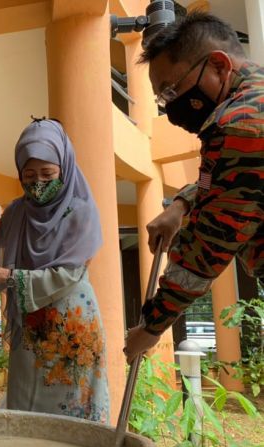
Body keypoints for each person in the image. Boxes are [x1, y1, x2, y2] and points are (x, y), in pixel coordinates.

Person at [124, 12, 263, 363]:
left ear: (218, 66)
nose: (171, 108)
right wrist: (180, 206)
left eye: (172, 89)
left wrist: (151, 327)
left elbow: (207, 250)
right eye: (162, 99)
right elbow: (224, 180)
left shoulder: (239, 125)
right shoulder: (252, 102)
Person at [0, 118, 109, 422]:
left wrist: (5, 276)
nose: (38, 182)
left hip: (70, 331)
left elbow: (70, 273)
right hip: (29, 331)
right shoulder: (18, 211)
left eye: (47, 173)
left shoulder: (80, 212)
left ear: (64, 168)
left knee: (73, 420)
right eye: (29, 174)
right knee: (25, 413)